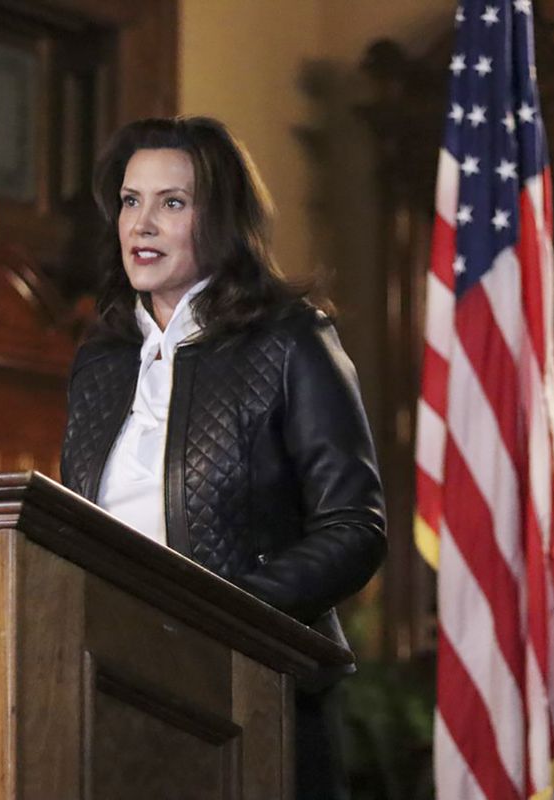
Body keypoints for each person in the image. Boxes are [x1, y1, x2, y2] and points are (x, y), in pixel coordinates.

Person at [60, 116, 387, 799]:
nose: (142, 224)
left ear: (221, 221)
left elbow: (355, 526)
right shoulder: (100, 361)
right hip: (118, 692)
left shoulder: (292, 339)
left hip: (255, 693)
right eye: (130, 201)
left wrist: (220, 615)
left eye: (172, 203)